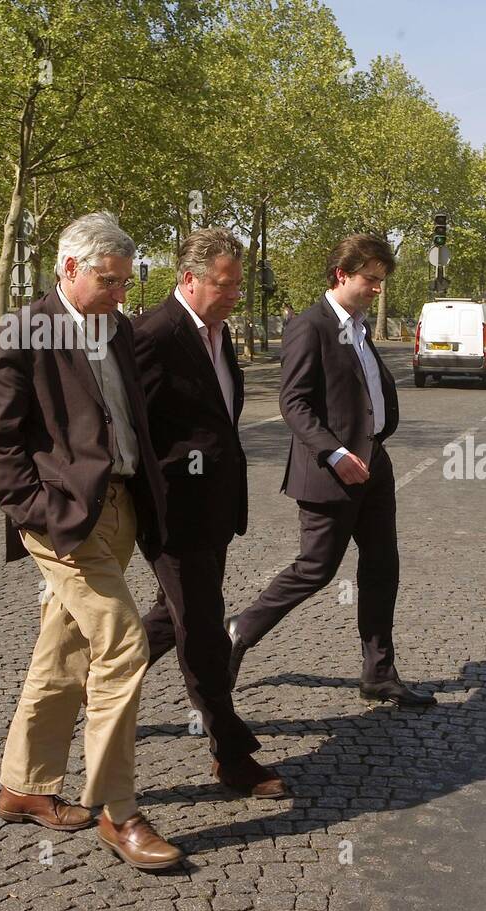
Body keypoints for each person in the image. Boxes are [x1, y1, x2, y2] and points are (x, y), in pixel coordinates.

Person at [0, 211, 183, 871]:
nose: (121, 293)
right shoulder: (24, 330)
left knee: (63, 646)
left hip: (120, 508)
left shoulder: (117, 329)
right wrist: (34, 510)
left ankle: (24, 785)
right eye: (109, 279)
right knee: (122, 643)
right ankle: (118, 810)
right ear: (69, 268)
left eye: (126, 280)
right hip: (63, 518)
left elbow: (128, 419)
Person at [227, 234, 435, 709]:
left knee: (383, 567)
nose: (378, 289)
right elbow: (293, 403)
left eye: (382, 280)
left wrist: (372, 444)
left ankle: (379, 673)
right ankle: (240, 628)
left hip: (374, 464)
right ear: (342, 275)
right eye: (371, 279)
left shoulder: (359, 326)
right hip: (332, 470)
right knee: (316, 568)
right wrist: (335, 453)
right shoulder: (310, 326)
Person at [131, 228, 285, 799]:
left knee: (171, 619)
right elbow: (129, 428)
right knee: (202, 629)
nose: (235, 295)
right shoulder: (152, 334)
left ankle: (88, 685)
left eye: (240, 284)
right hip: (175, 514)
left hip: (214, 508)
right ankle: (233, 754)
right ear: (189, 279)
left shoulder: (220, 335)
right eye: (225, 284)